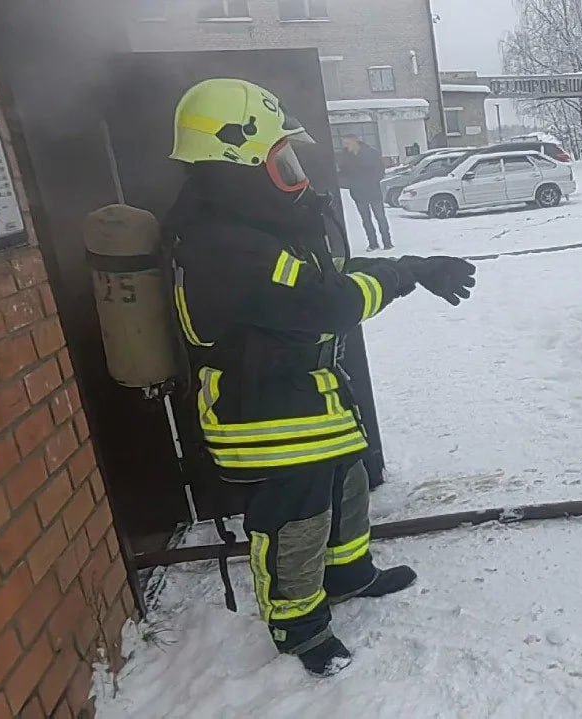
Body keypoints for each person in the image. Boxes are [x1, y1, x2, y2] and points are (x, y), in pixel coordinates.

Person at [164, 78, 477, 676]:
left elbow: (328, 273)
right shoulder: (222, 243)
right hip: (259, 409)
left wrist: (411, 266)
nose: (293, 169)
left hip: (302, 396)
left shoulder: (255, 228)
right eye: (279, 157)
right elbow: (323, 303)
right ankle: (299, 626)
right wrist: (402, 279)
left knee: (345, 483)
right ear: (237, 160)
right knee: (295, 518)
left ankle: (348, 574)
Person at [339, 134, 392, 250]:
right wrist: (350, 184)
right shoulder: (345, 156)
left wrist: (370, 181)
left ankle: (387, 242)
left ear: (355, 141)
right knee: (366, 220)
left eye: (347, 143)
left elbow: (380, 171)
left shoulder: (371, 153)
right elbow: (342, 173)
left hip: (373, 191)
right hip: (358, 193)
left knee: (380, 218)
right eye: (344, 143)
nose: (345, 146)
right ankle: (373, 243)